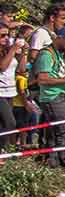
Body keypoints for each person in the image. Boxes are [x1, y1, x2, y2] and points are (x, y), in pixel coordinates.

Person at [33, 29, 65, 168]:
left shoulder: (59, 55)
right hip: (52, 96)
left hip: (60, 94)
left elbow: (56, 75)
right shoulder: (46, 55)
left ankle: (51, 160)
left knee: (52, 131)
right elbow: (42, 79)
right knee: (62, 130)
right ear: (59, 38)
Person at [0, 23, 26, 151]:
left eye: (7, 35)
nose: (6, 38)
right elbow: (2, 67)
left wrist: (23, 53)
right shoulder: (8, 50)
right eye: (2, 35)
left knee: (3, 123)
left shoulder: (7, 49)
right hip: (0, 93)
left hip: (10, 92)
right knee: (10, 123)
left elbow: (21, 69)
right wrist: (13, 50)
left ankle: (2, 150)